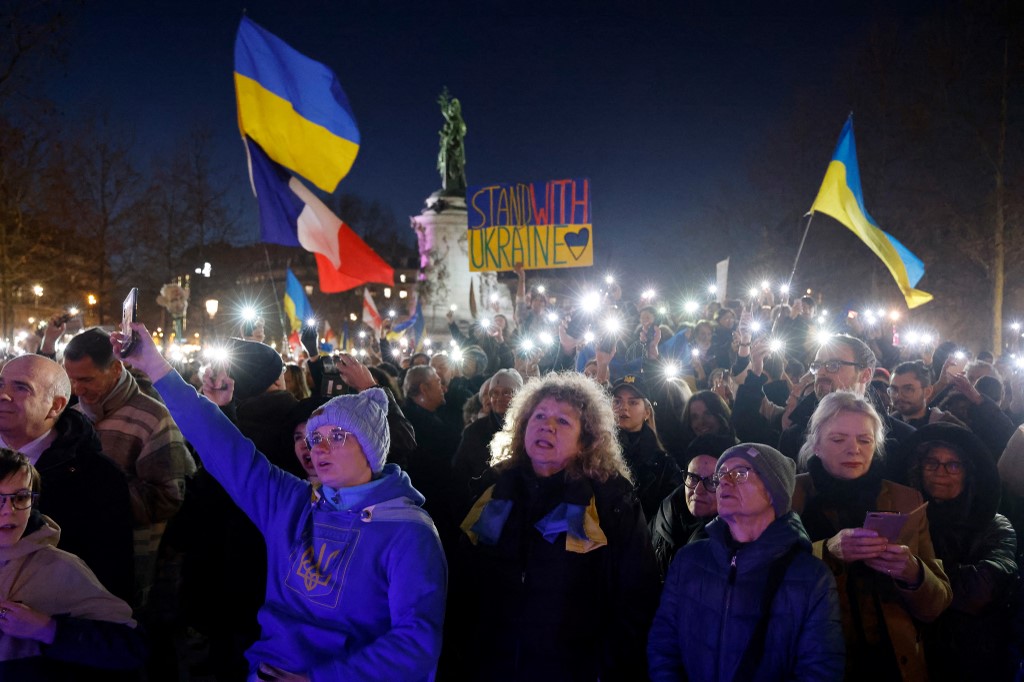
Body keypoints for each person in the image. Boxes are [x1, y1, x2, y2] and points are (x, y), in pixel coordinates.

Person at [112, 322, 447, 680]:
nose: (318, 448)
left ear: (370, 447)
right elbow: (221, 444)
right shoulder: (292, 503)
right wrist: (154, 365)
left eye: (336, 434)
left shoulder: (409, 532)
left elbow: (416, 642)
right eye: (314, 438)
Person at [452, 371, 660, 680]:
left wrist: (603, 668)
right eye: (539, 416)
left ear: (586, 438)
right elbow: (462, 583)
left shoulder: (611, 502)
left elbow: (635, 597)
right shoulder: (494, 489)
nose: (547, 426)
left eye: (563, 421)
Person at [648, 443, 844, 681]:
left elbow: (819, 669)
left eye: (740, 473)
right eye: (721, 475)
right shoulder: (689, 559)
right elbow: (663, 641)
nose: (725, 481)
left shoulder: (811, 577)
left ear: (774, 491)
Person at [794, 391, 952, 680]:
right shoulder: (790, 497)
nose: (853, 449)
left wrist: (913, 573)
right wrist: (826, 552)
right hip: (815, 660)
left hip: (892, 664)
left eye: (864, 440)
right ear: (815, 445)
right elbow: (766, 581)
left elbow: (937, 604)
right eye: (838, 439)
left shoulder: (906, 500)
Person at [62, 327, 195, 606]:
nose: (77, 389)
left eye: (86, 379)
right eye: (71, 379)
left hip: (130, 565)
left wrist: (103, 487)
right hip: (78, 562)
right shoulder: (72, 418)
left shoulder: (153, 419)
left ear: (115, 369)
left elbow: (168, 498)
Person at [0, 448, 146, 680]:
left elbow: (131, 647)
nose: (9, 511)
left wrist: (48, 630)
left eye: (21, 497)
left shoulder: (57, 568)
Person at [0, 354, 134, 603]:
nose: (3, 395)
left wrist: (53, 630)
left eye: (21, 388)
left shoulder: (98, 477)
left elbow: (111, 580)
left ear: (56, 406)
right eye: (0, 384)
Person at [904, 423, 1018, 681]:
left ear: (968, 473)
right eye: (931, 463)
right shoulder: (907, 518)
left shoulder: (994, 524)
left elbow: (980, 590)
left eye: (953, 465)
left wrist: (916, 576)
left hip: (975, 658)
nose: (940, 472)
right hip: (916, 654)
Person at [649, 434, 735, 579]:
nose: (698, 490)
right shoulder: (665, 513)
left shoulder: (733, 536)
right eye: (693, 477)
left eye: (712, 482)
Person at [611, 374, 681, 521]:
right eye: (617, 401)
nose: (623, 407)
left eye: (633, 402)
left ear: (647, 412)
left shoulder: (663, 464)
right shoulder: (595, 451)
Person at [451, 368, 523, 507]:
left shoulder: (528, 430)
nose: (499, 398)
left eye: (507, 392)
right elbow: (459, 474)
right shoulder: (474, 432)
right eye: (494, 393)